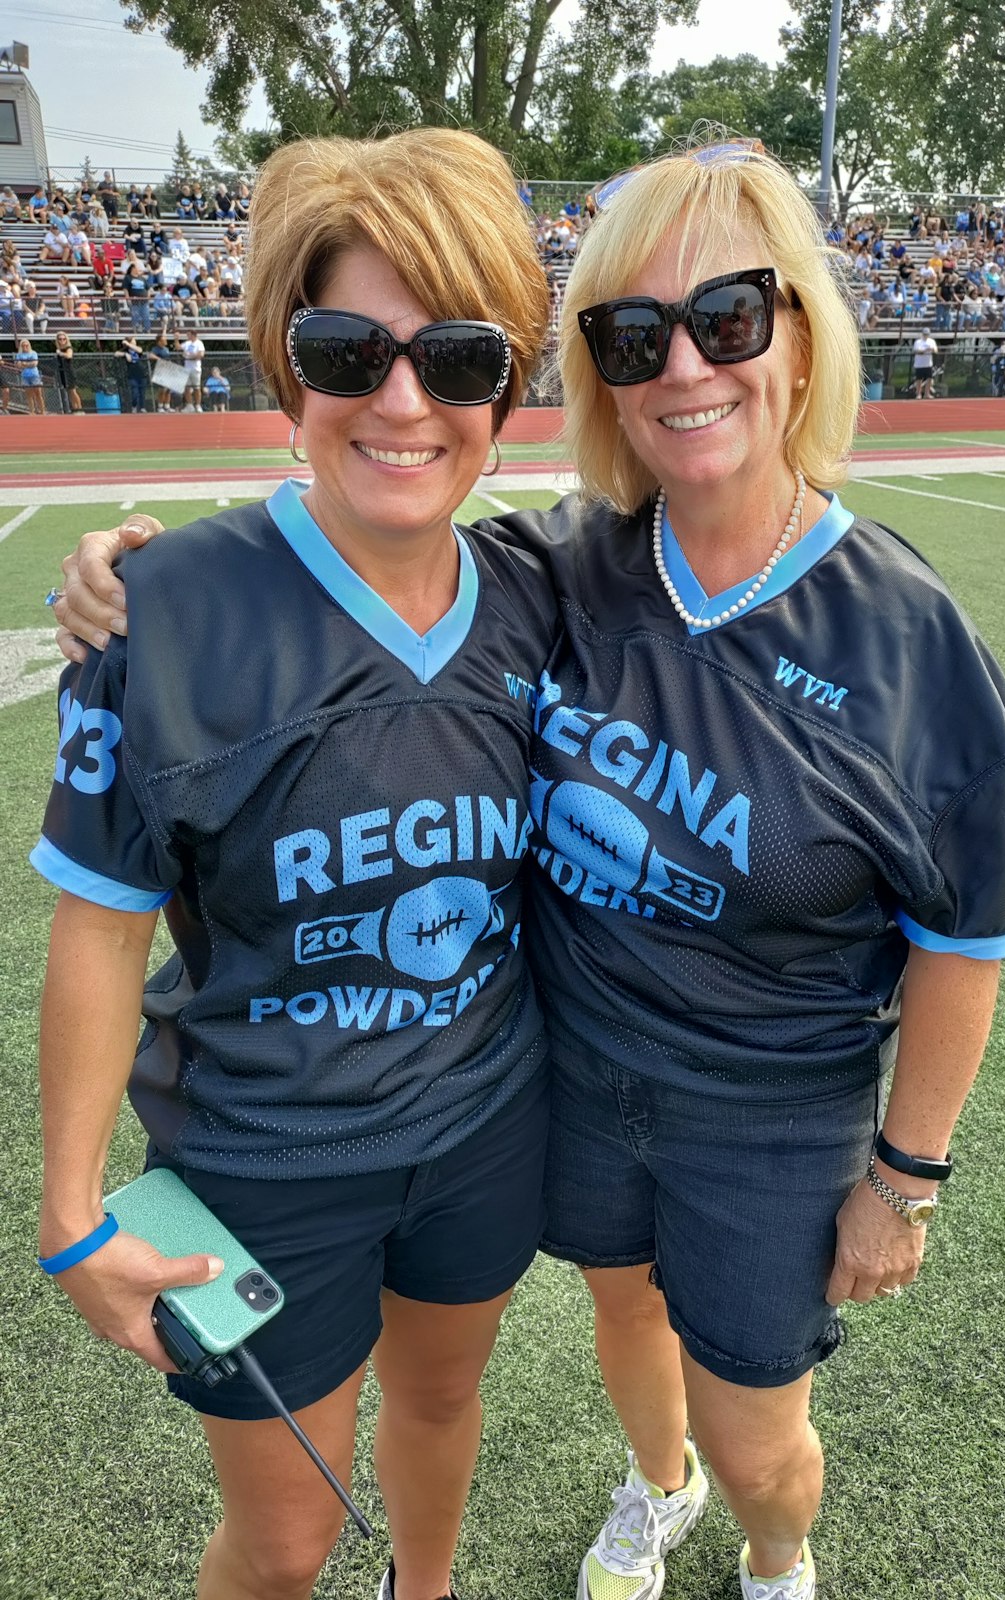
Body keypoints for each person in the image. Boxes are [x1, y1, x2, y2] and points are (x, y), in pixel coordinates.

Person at [54, 139, 1005, 1600]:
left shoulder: (837, 628)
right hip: (437, 1115)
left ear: (802, 333)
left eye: (730, 318)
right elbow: (114, 900)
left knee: (664, 1423)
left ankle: (747, 1555)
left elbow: (969, 929)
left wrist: (904, 1176)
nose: (685, 365)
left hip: (662, 1119)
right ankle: (657, 1485)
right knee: (366, 1485)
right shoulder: (550, 572)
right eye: (633, 333)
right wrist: (127, 583)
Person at [35, 128, 551, 1600]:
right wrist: (72, 1211)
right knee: (284, 1541)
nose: (403, 401)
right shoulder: (166, 610)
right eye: (348, 348)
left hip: (481, 1122)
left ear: (505, 391)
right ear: (284, 364)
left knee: (443, 1405)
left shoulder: (541, 589)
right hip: (264, 1161)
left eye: (457, 360)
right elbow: (100, 926)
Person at [13, 337, 45, 413]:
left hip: (34, 375)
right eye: (23, 345)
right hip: (25, 376)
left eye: (26, 345)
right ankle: (32, 411)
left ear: (29, 345)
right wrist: (27, 364)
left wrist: (24, 364)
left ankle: (42, 411)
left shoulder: (33, 353)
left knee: (38, 394)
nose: (25, 347)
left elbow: (34, 364)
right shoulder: (19, 355)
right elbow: (18, 365)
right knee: (29, 395)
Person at [54, 332, 83, 414]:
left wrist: (61, 353)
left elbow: (69, 355)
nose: (62, 340)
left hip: (69, 372)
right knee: (69, 392)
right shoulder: (59, 349)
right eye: (60, 339)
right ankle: (75, 409)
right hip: (63, 372)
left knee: (73, 391)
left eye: (64, 339)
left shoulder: (68, 348)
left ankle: (80, 409)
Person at [121, 337, 149, 413]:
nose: (135, 342)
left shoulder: (138, 349)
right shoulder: (126, 351)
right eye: (134, 341)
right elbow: (116, 354)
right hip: (132, 375)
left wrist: (128, 344)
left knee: (142, 392)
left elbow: (140, 350)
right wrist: (125, 354)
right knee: (135, 393)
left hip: (142, 374)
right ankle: (134, 406)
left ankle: (142, 407)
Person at [180, 331, 205, 410]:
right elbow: (178, 347)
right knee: (187, 388)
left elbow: (200, 355)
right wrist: (176, 339)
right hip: (187, 368)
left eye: (189, 335)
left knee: (196, 387)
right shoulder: (187, 343)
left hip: (195, 369)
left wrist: (188, 356)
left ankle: (198, 405)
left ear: (193, 335)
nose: (187, 336)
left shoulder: (199, 343)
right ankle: (189, 405)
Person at [911, 331, 938, 397]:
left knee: (929, 379)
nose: (926, 336)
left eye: (927, 334)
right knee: (919, 379)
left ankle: (927, 393)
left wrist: (932, 350)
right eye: (925, 334)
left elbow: (936, 351)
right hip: (919, 364)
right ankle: (918, 393)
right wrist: (925, 350)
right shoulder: (918, 342)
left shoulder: (931, 341)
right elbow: (916, 351)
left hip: (928, 364)